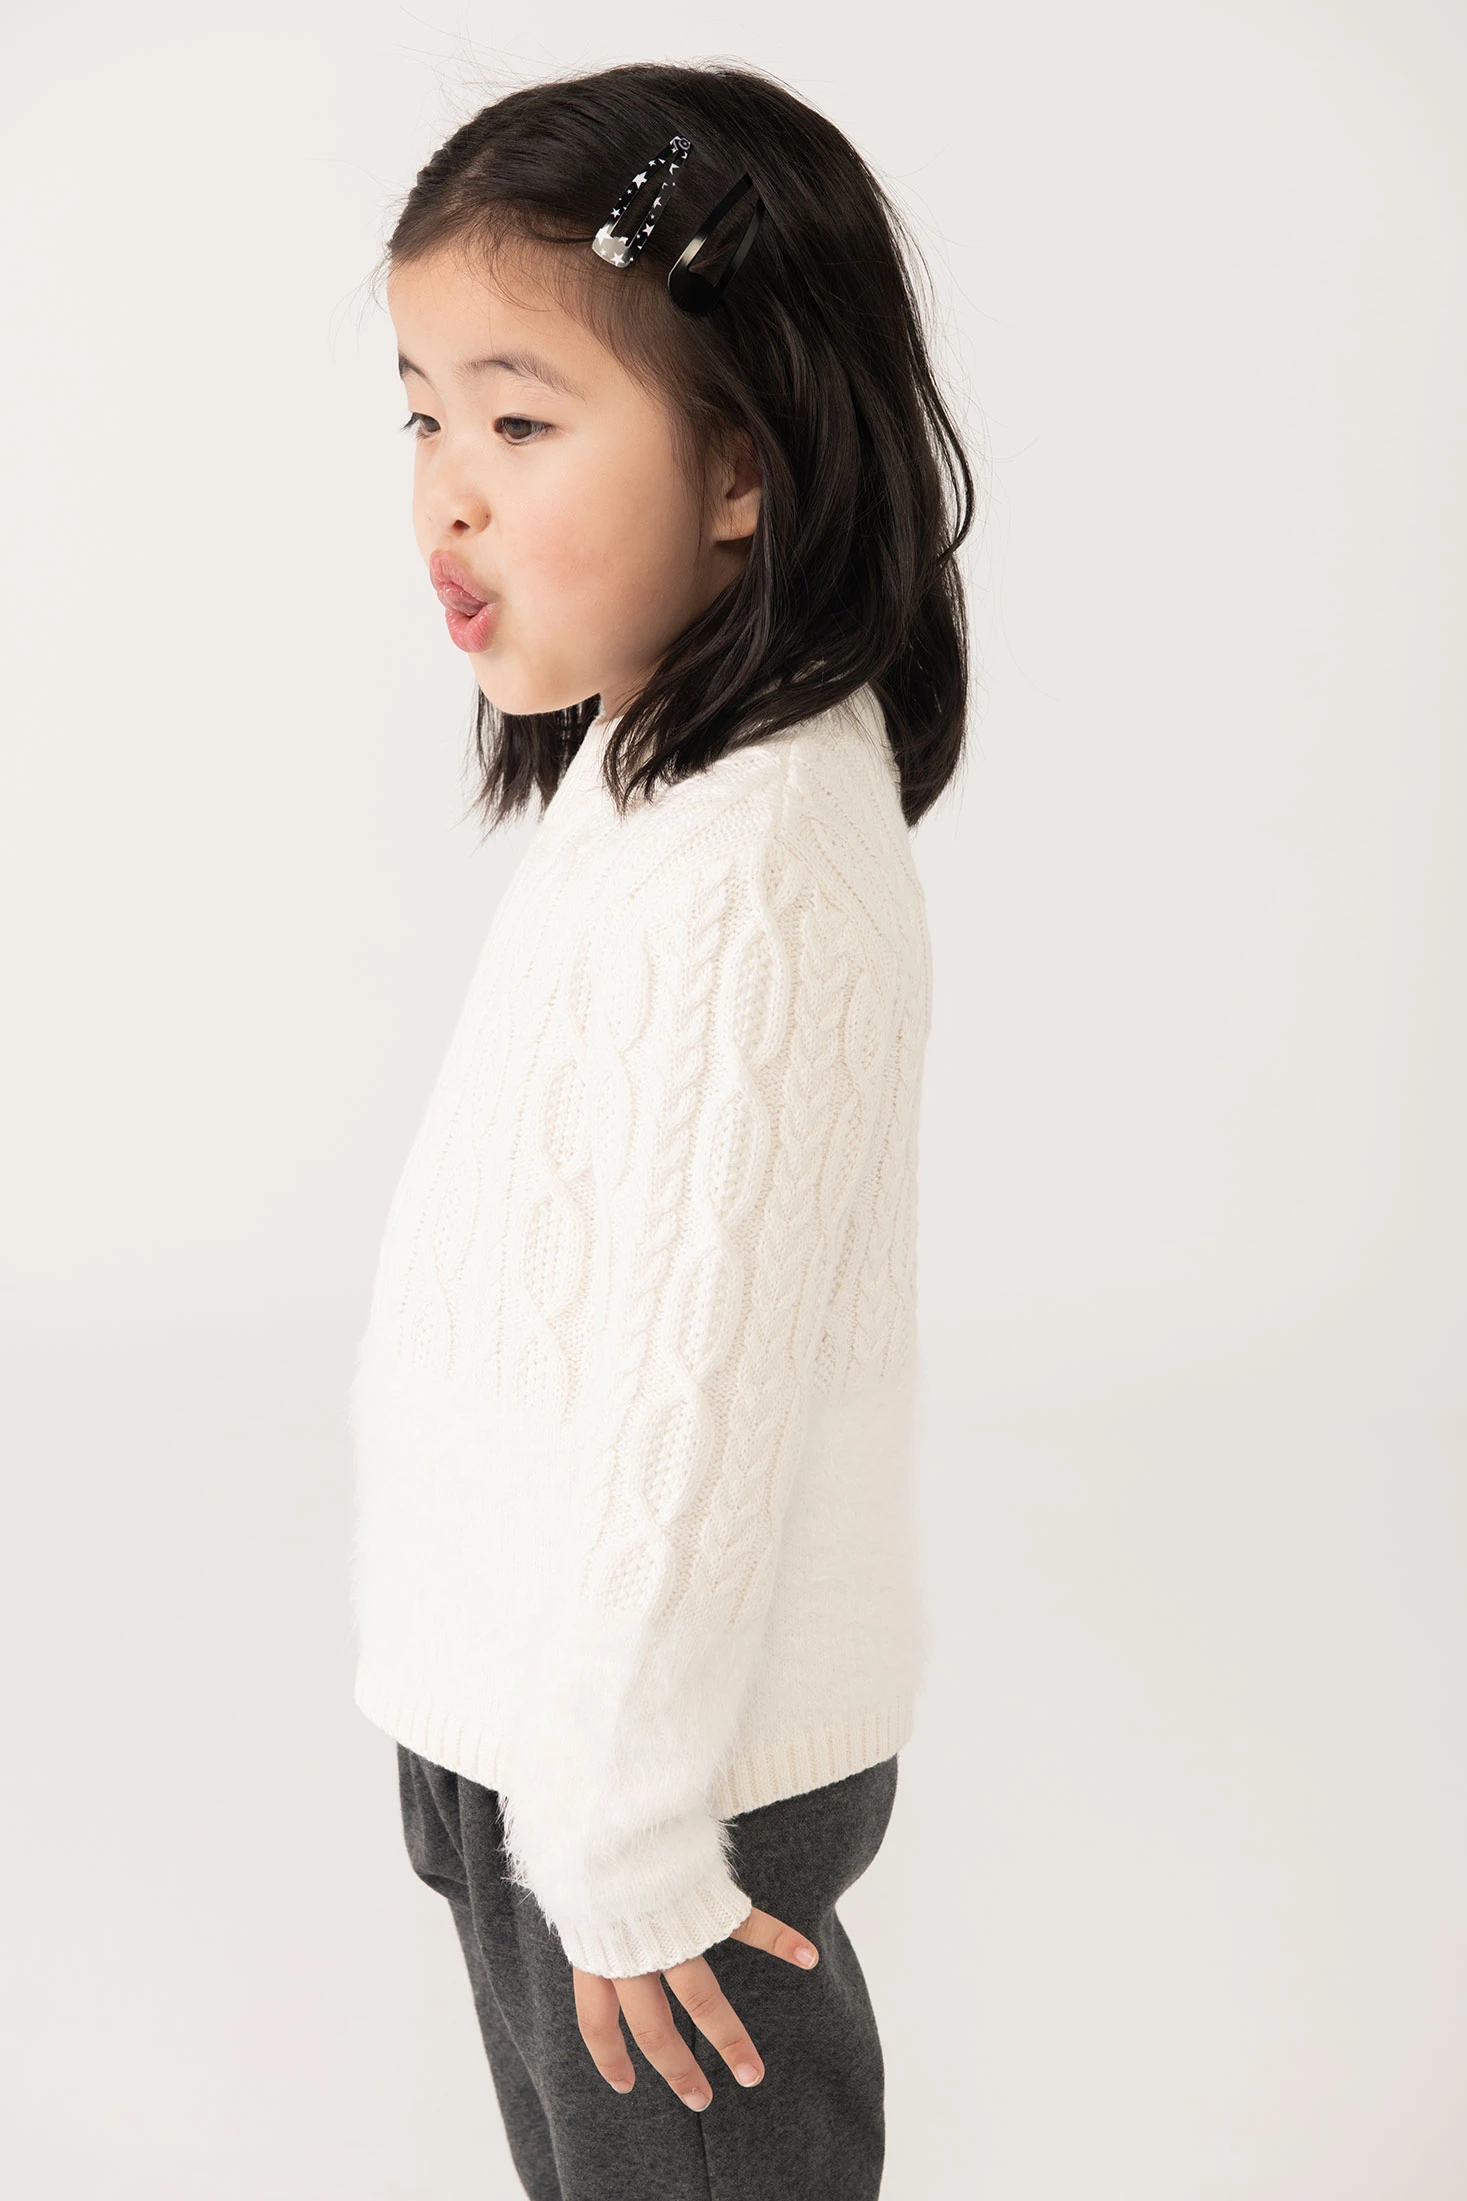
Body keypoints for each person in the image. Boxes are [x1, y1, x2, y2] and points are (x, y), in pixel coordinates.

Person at [348, 58, 973, 2201]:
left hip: (653, 1786)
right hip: (534, 1734)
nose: (448, 496)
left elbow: (691, 1393)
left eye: (521, 424)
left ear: (742, 467)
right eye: (421, 418)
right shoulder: (651, 779)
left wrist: (617, 1836)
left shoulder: (762, 861)